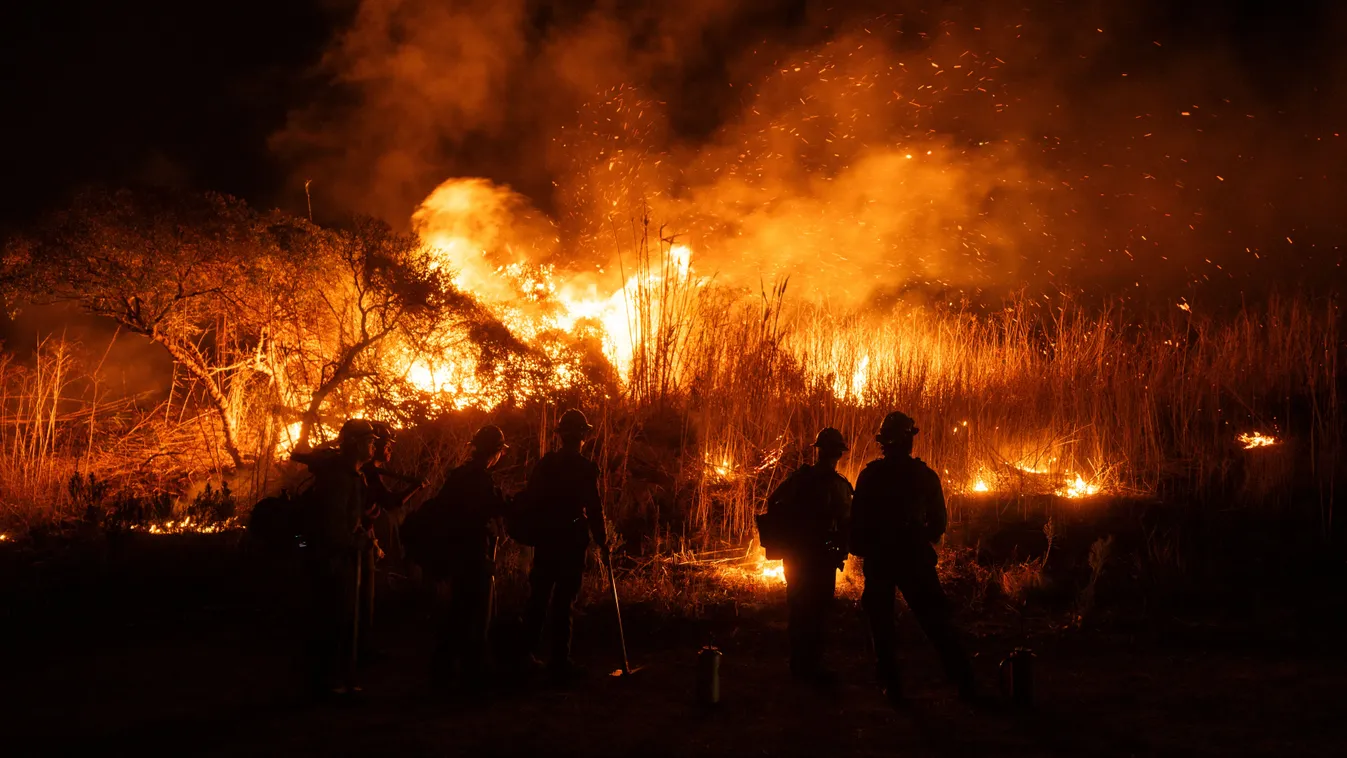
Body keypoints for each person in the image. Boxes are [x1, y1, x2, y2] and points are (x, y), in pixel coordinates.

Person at [851, 411, 976, 703]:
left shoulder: (870, 475)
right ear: (909, 441)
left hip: (880, 558)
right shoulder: (923, 476)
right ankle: (964, 681)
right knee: (935, 620)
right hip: (913, 557)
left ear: (884, 443)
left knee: (882, 625)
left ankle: (891, 685)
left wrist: (867, 547)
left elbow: (856, 523)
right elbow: (938, 523)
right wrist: (918, 537)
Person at [414, 425, 508, 692]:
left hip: (455, 553)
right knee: (473, 615)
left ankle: (444, 672)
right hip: (472, 554)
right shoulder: (481, 480)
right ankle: (470, 675)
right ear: (496, 452)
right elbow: (479, 516)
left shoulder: (458, 476)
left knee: (459, 611)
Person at [519, 409, 609, 683]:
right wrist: (602, 540)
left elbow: (530, 498)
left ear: (561, 436)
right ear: (582, 436)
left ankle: (525, 655)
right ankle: (559, 661)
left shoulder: (546, 464)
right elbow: (594, 508)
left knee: (539, 596)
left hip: (547, 538)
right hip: (571, 540)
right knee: (563, 600)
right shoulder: (585, 468)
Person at [764, 427, 853, 686]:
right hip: (819, 560)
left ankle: (800, 664)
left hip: (799, 557)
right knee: (817, 611)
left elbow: (773, 503)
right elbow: (847, 523)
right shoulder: (838, 485)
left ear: (819, 451)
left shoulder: (800, 479)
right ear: (838, 454)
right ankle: (812, 665)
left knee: (800, 608)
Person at [301, 418, 378, 699]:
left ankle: (340, 678)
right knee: (332, 621)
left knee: (344, 620)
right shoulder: (339, 479)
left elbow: (347, 519)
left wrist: (363, 524)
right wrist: (360, 542)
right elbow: (333, 529)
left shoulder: (353, 476)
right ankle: (327, 683)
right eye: (369, 441)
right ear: (355, 444)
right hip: (332, 562)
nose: (374, 446)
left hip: (342, 560)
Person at [356, 421, 424, 661]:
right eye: (385, 446)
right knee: (364, 593)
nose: (389, 450)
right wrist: (416, 487)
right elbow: (391, 502)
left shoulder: (367, 472)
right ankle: (360, 649)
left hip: (365, 538)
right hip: (358, 540)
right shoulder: (366, 473)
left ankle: (360, 645)